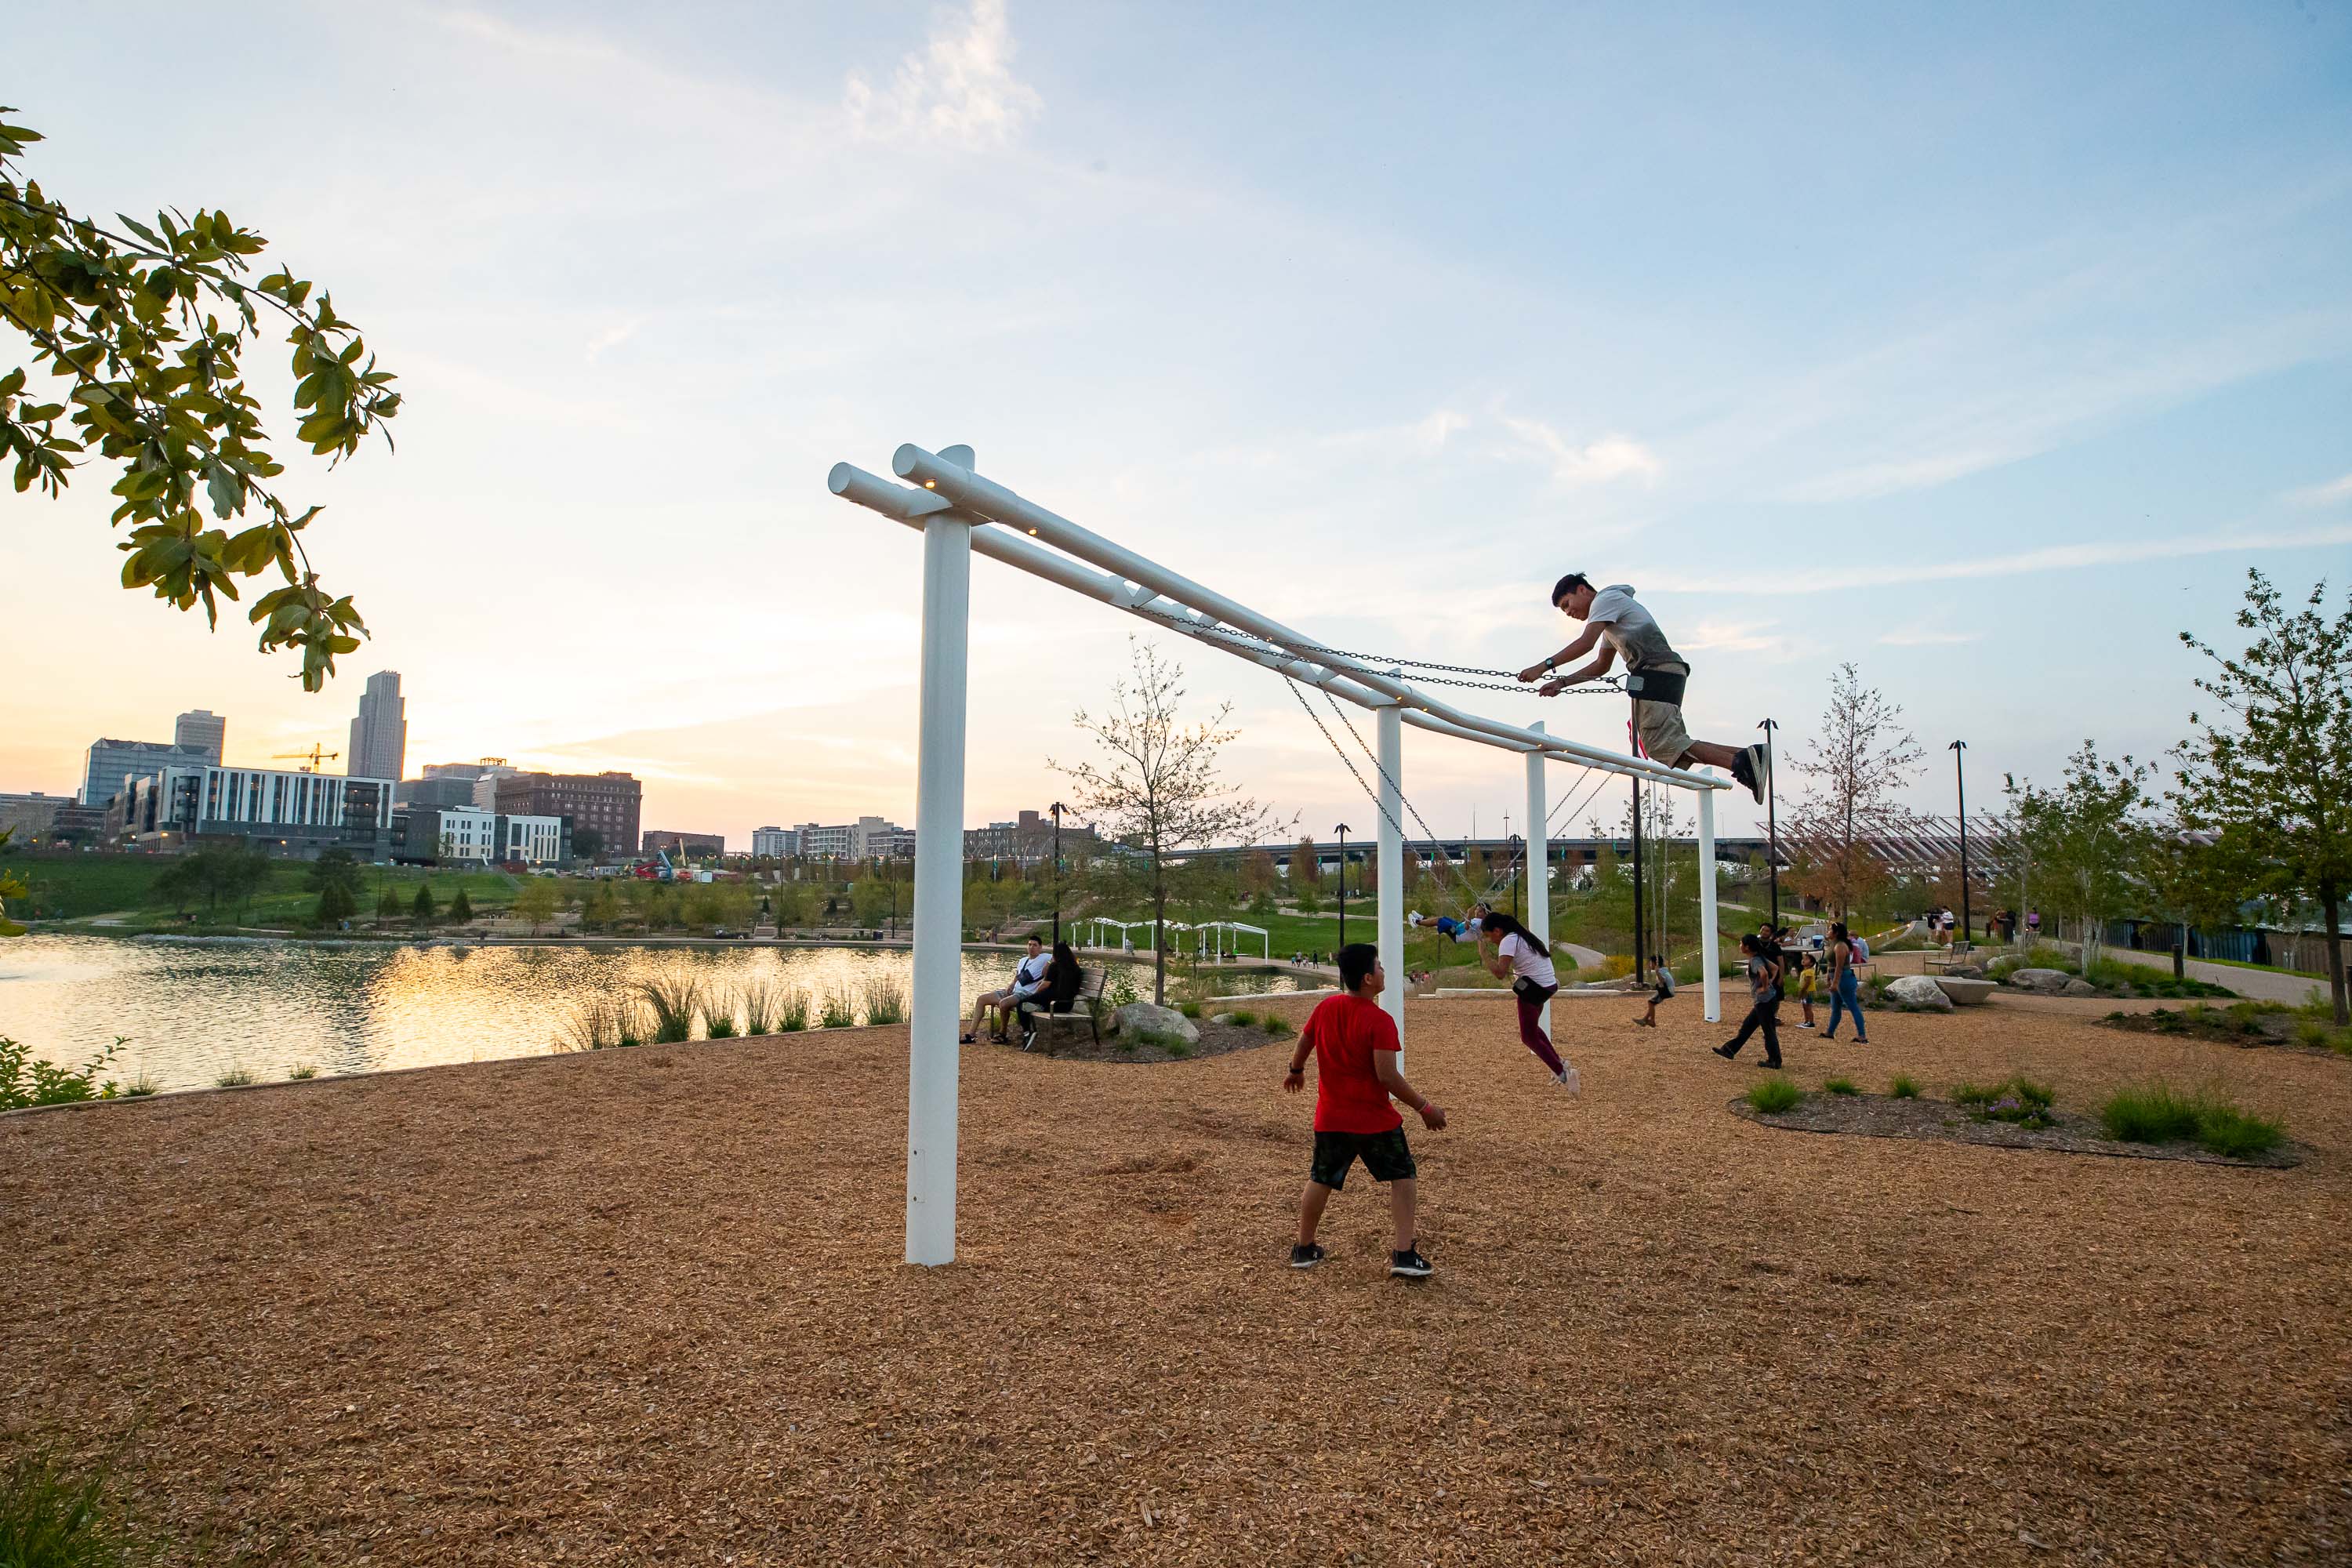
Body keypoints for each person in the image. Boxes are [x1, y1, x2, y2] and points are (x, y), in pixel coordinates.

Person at [1518, 574, 1772, 805]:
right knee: (1671, 742)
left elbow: (1585, 644)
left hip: (1655, 672)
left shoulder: (1605, 600)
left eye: (1566, 604)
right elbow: (1600, 666)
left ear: (1582, 590)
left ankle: (1741, 763)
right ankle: (1746, 756)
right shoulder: (1609, 619)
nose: (1569, 612)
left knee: (1662, 744)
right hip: (1665, 672)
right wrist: (1562, 683)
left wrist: (1543, 666)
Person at [1282, 943, 1445, 1278]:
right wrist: (1424, 1107)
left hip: (1331, 1118)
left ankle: (1304, 1248)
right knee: (1402, 1176)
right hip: (1374, 1122)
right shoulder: (1379, 1021)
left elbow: (1305, 1041)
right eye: (1380, 967)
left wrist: (1295, 1070)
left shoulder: (1325, 1008)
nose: (1384, 972)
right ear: (1369, 979)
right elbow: (1386, 1075)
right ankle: (1403, 1254)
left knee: (1321, 1178)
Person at [1477, 911, 1578, 1092]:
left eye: (1489, 935)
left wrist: (1483, 954)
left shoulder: (1508, 941)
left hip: (1533, 990)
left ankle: (1563, 1074)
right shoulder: (1522, 935)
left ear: (1498, 931)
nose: (1490, 940)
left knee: (1528, 1037)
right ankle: (1560, 1062)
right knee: (1534, 1030)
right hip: (1547, 986)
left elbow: (1500, 973)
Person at [1713, 933, 1785, 1068]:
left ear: (1747, 947)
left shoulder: (1755, 960)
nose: (1740, 946)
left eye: (1741, 944)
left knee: (1768, 1031)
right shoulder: (1759, 957)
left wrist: (1764, 987)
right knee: (1747, 1026)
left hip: (1765, 1002)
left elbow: (1763, 972)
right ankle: (1729, 1050)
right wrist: (1770, 982)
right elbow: (1775, 968)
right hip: (1765, 1001)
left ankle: (1775, 1061)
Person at [963, 935, 1049, 1044]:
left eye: (1035, 945)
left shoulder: (1045, 958)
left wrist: (1047, 972)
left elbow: (1059, 957)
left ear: (1040, 948)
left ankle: (1002, 1034)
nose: (1031, 947)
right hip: (1014, 991)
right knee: (982, 999)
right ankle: (971, 1035)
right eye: (1029, 945)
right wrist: (1012, 984)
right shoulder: (1023, 960)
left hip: (1026, 994)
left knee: (1003, 1004)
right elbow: (1018, 975)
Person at [1822, 920, 1868, 1044]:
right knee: (1835, 1007)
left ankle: (1862, 1035)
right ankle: (1830, 1032)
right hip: (1835, 976)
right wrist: (1828, 977)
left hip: (1844, 978)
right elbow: (1830, 963)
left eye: (1830, 930)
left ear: (1836, 933)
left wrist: (1836, 982)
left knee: (1852, 1006)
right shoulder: (1833, 944)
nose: (1828, 932)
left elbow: (1839, 966)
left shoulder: (1841, 946)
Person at [1407, 902, 1490, 943]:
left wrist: (1469, 914)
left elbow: (1467, 927)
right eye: (1477, 910)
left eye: (1480, 912)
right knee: (1443, 918)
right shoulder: (1478, 920)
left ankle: (1417, 922)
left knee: (1440, 920)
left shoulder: (1481, 923)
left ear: (1486, 914)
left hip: (1456, 935)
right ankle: (1423, 919)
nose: (1476, 912)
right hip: (1457, 928)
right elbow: (1466, 925)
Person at [1635, 955, 1676, 1028]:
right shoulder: (1663, 970)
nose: (1650, 965)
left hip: (1667, 991)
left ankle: (1652, 1021)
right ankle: (1644, 1019)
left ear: (1655, 963)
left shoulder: (1660, 971)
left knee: (1650, 1002)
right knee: (1653, 1003)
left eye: (1651, 963)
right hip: (1667, 990)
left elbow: (1663, 980)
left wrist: (1657, 973)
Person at [1795, 951, 1820, 1029]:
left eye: (1806, 959)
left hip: (1808, 992)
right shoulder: (1805, 971)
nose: (1804, 960)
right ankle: (1806, 1021)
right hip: (1805, 992)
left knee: (1808, 1007)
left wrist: (1802, 991)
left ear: (1811, 963)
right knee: (1805, 1007)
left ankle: (1811, 1022)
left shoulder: (1809, 971)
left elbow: (1808, 982)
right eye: (1804, 959)